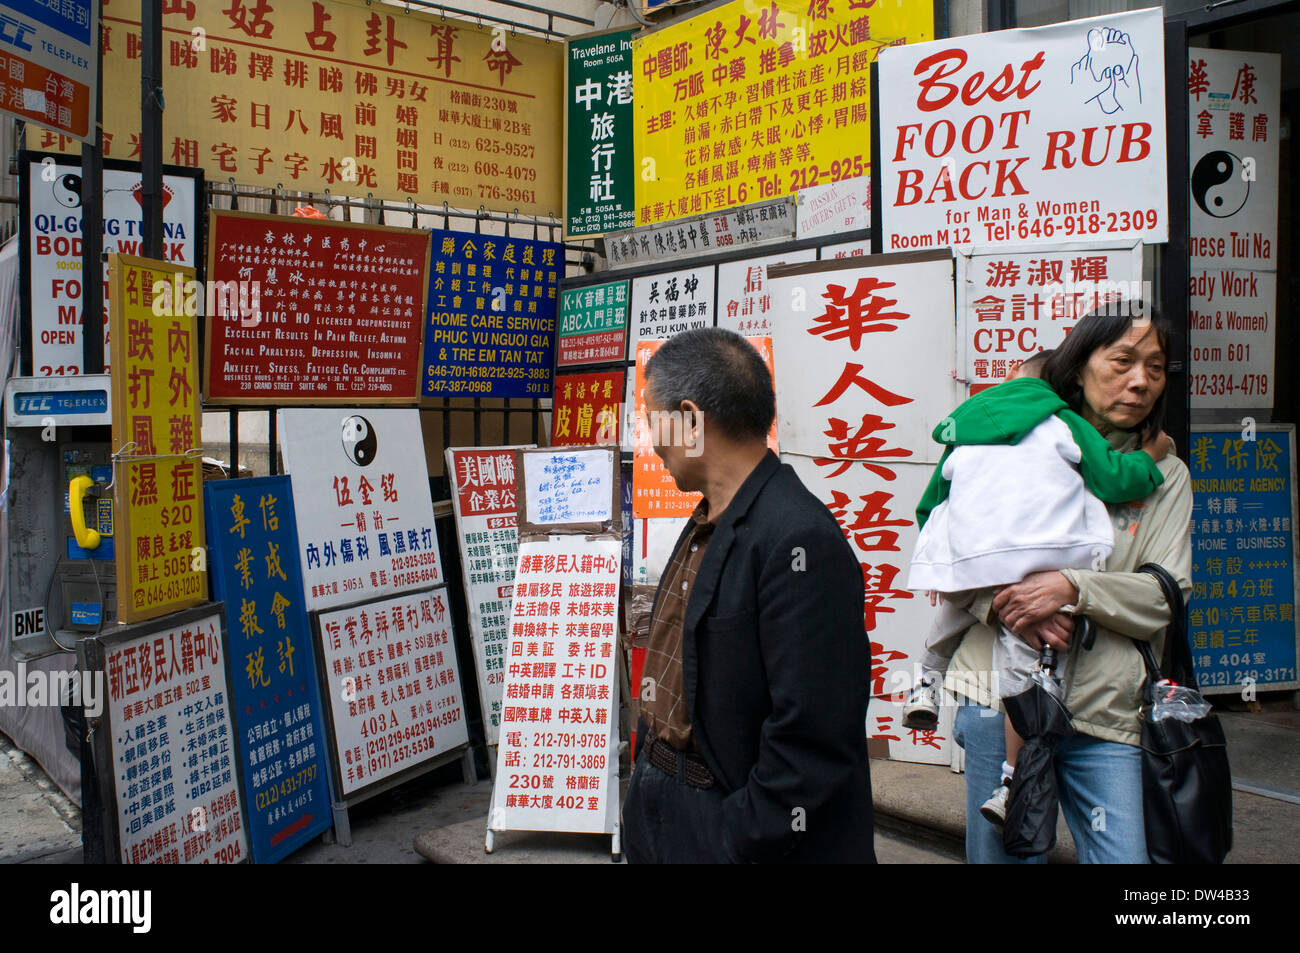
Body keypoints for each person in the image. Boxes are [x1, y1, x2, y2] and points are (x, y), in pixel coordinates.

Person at [940, 306, 1193, 864]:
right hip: (1000, 700)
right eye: (1123, 361)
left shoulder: (1165, 473)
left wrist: (1070, 588)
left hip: (1108, 711)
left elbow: (1164, 595)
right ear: (1078, 368)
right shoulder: (1007, 445)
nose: (1141, 381)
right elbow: (949, 556)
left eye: (1155, 367)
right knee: (1005, 853)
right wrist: (1010, 604)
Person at [621, 327, 875, 863]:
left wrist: (733, 838)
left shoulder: (798, 537)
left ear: (689, 421)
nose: (651, 440)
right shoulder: (707, 520)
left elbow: (814, 734)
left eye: (652, 420)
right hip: (662, 803)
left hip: (728, 825)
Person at [901, 350, 1171, 825]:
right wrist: (1153, 456)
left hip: (976, 566)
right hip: (1039, 565)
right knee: (1022, 669)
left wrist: (943, 564)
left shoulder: (965, 427)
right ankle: (1011, 780)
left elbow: (933, 504)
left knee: (951, 614)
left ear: (1008, 378)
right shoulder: (1062, 421)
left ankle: (924, 684)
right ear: (1067, 387)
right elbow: (1115, 478)